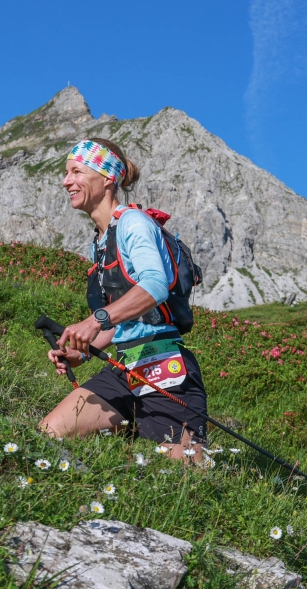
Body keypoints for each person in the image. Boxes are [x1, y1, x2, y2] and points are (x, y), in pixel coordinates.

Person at [40, 138, 208, 461]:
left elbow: (155, 285)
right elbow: (120, 323)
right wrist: (81, 354)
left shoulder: (133, 223)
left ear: (107, 178)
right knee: (49, 431)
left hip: (167, 369)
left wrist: (95, 320)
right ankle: (132, 429)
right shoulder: (101, 241)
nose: (66, 181)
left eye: (76, 171)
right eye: (66, 173)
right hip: (124, 370)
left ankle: (149, 432)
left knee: (187, 472)